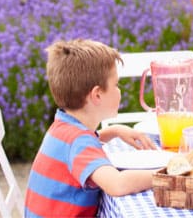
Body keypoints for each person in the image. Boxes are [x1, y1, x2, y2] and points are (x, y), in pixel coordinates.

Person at [25, 39, 157, 217]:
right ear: (97, 95)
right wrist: (165, 175)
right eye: (116, 85)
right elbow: (118, 184)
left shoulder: (63, 126)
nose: (120, 91)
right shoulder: (79, 142)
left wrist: (114, 131)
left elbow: (80, 148)